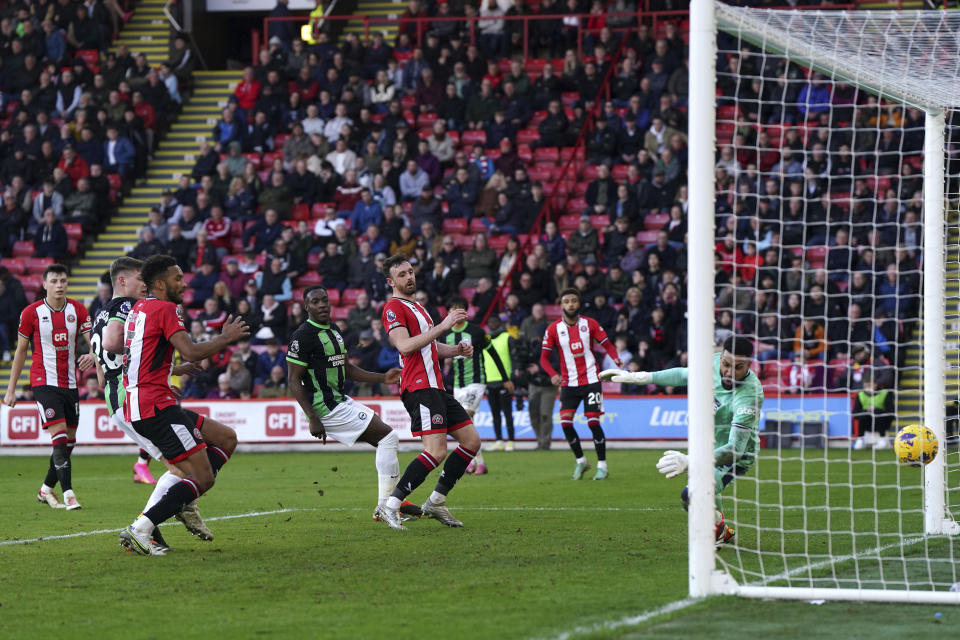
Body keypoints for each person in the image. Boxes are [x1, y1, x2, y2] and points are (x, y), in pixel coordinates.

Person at [117, 255, 250, 555]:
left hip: (148, 402)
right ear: (161, 284)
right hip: (155, 406)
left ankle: (183, 496)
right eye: (178, 278)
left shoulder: (140, 308)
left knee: (226, 438)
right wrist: (225, 338)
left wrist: (172, 371)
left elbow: (144, 356)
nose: (184, 282)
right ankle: (141, 529)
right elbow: (190, 350)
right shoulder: (165, 309)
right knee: (202, 477)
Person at [91, 257, 213, 551]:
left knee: (181, 466)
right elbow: (112, 342)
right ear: (122, 281)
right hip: (133, 398)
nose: (144, 286)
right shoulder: (125, 307)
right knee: (182, 470)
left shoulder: (100, 313)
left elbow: (102, 364)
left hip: (119, 395)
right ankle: (150, 525)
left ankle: (155, 523)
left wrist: (169, 369)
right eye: (138, 279)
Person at [599, 335, 764, 546]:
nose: (729, 372)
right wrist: (637, 377)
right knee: (704, 497)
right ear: (720, 357)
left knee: (693, 495)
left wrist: (691, 462)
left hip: (734, 457)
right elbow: (682, 375)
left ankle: (718, 529)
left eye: (738, 367)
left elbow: (734, 449)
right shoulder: (712, 363)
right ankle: (720, 530)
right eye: (725, 364)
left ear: (749, 364)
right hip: (708, 443)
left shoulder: (750, 395)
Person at [287, 286, 422, 524]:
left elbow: (347, 369)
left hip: (339, 401)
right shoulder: (303, 335)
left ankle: (389, 504)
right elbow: (294, 379)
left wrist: (383, 378)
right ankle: (387, 505)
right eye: (315, 302)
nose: (322, 305)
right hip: (325, 407)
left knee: (385, 441)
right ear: (306, 307)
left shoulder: (334, 330)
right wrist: (312, 417)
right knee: (388, 438)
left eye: (325, 300)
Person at [378, 254, 482, 530]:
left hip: (436, 386)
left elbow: (429, 348)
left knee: (471, 441)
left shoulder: (419, 308)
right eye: (402, 274)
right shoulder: (393, 307)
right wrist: (444, 326)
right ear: (391, 281)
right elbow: (404, 346)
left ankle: (436, 501)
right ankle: (390, 505)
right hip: (419, 387)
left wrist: (457, 351)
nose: (409, 277)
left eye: (410, 272)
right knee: (436, 451)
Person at [4, 264, 95, 510]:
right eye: (54, 281)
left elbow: (94, 342)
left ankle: (45, 489)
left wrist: (95, 356)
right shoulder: (31, 313)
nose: (59, 285)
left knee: (70, 441)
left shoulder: (78, 310)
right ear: (44, 285)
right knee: (59, 437)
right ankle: (69, 495)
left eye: (63, 280)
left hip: (71, 384)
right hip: (43, 383)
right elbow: (21, 352)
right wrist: (11, 390)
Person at [539, 288, 622, 480]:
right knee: (566, 423)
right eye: (566, 301)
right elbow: (543, 358)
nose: (570, 304)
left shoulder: (590, 324)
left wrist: (616, 359)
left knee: (593, 421)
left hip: (592, 379)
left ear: (579, 303)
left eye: (573, 301)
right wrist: (552, 374)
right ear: (561, 305)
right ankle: (581, 461)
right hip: (568, 383)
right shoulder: (553, 329)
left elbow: (607, 344)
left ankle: (602, 466)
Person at [439, 297, 492, 475]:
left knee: (466, 416)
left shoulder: (476, 332)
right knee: (465, 425)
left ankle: (470, 461)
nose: (456, 312)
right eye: (452, 308)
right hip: (457, 385)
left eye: (460, 308)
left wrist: (505, 378)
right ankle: (479, 463)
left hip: (477, 381)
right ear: (447, 313)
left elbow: (492, 352)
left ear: (466, 312)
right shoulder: (445, 335)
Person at [483, 315, 517, 452]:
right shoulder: (485, 339)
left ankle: (511, 441)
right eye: (489, 321)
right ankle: (499, 440)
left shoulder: (507, 337)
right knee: (495, 414)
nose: (491, 323)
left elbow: (514, 359)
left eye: (494, 321)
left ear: (499, 322)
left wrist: (513, 377)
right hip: (490, 381)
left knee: (507, 413)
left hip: (504, 381)